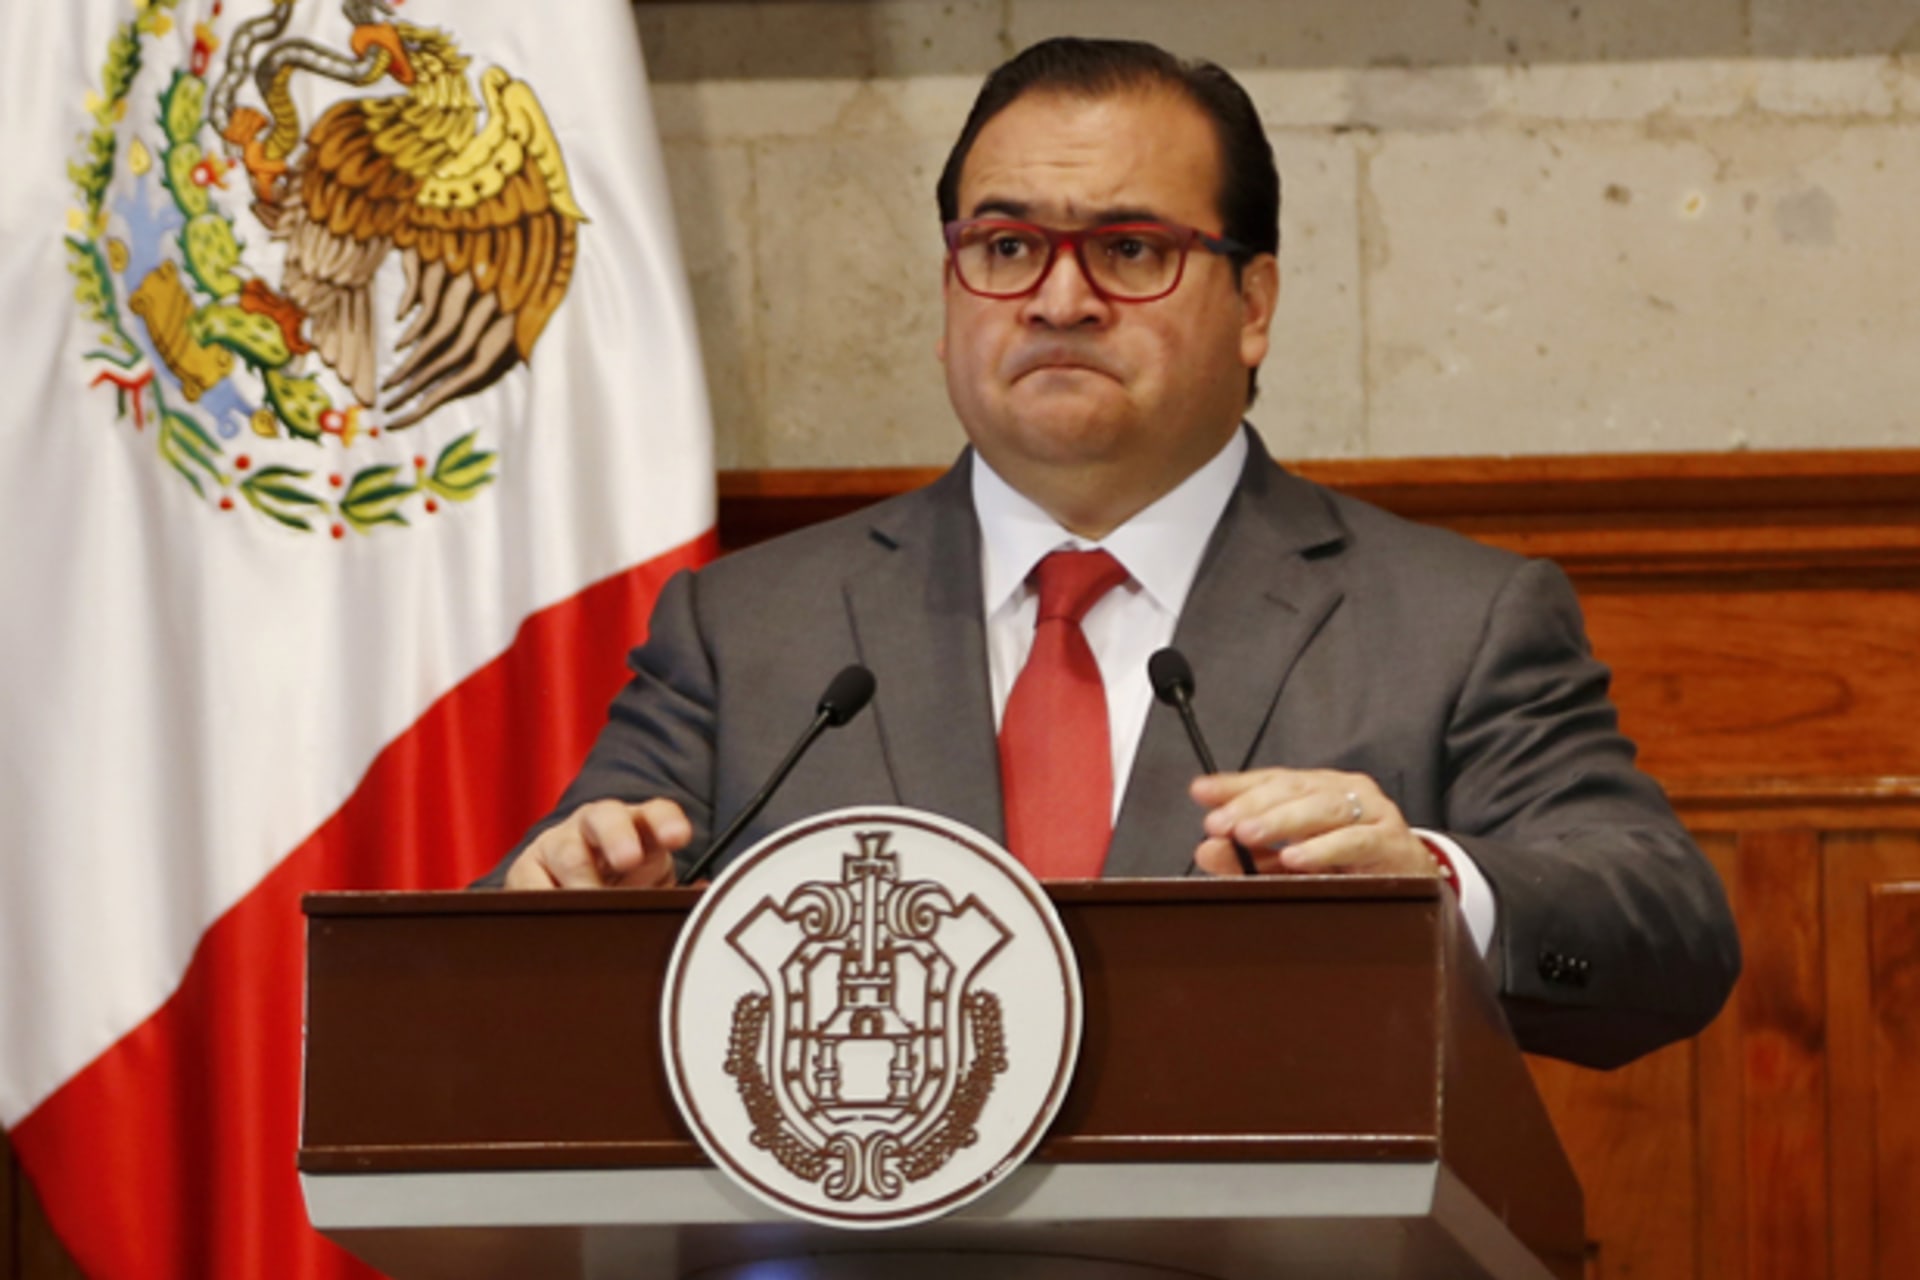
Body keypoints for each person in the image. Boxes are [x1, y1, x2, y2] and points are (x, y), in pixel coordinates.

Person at [481, 37, 1740, 1069]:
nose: (1060, 299)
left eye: (1131, 250)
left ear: (1253, 305)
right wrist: (565, 914)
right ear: (950, 295)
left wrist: (1431, 884)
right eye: (1007, 246)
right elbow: (515, 949)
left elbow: (1666, 933)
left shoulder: (1452, 621)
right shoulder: (751, 628)